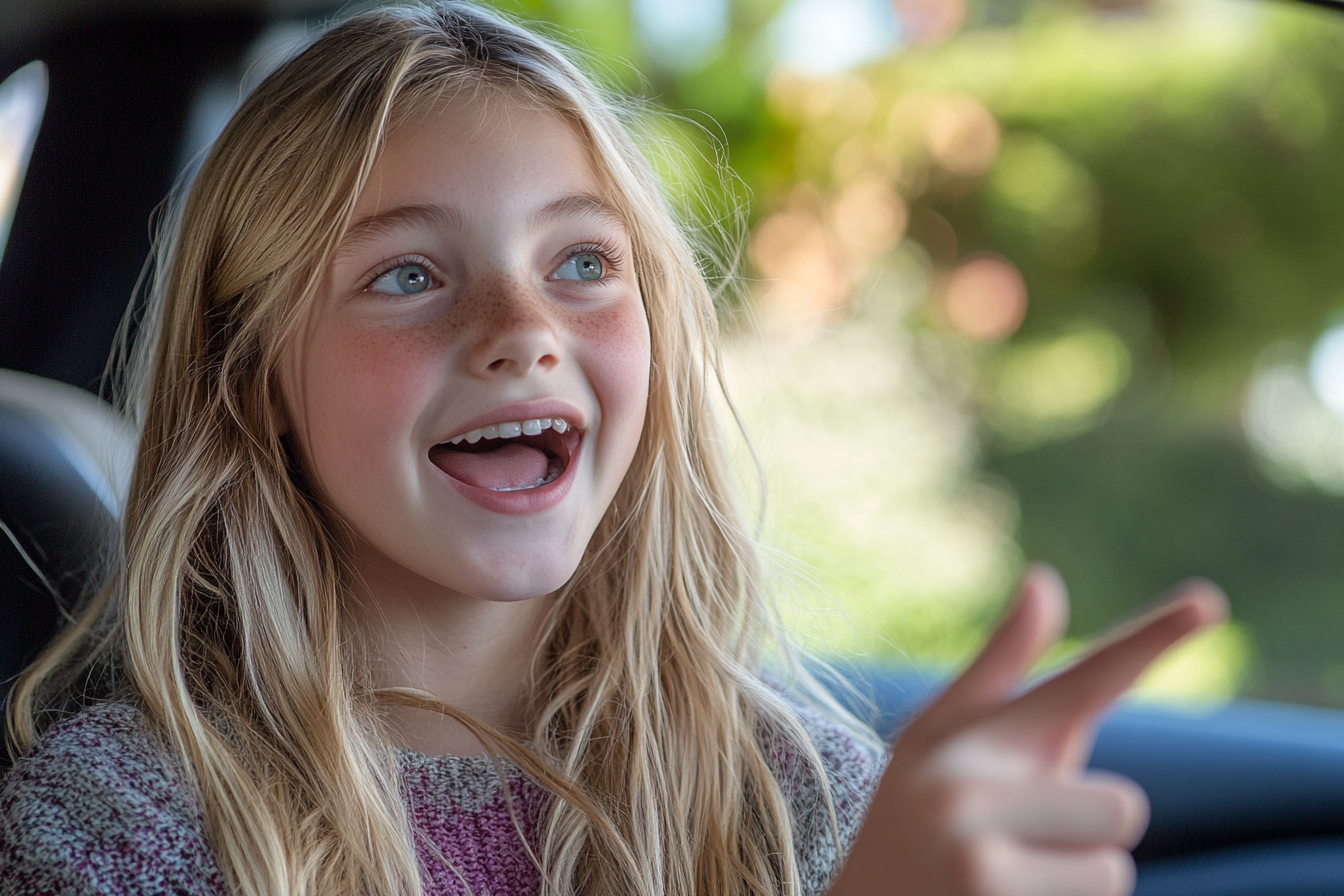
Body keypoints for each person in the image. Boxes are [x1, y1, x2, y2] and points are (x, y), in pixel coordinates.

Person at [0, 3, 1226, 895]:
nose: (524, 331)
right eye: (409, 274)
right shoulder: (123, 820)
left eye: (583, 262)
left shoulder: (798, 792)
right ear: (253, 374)